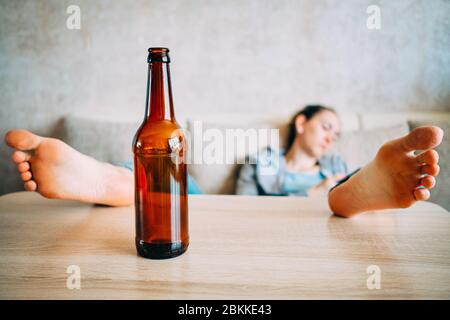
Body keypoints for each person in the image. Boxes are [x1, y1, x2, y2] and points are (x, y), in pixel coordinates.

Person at [4, 113, 443, 217]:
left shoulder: (336, 164)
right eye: (327, 124)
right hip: (231, 213)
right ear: (301, 122)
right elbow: (241, 207)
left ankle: (351, 196)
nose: (332, 135)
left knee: (340, 190)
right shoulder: (263, 157)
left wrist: (326, 186)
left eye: (338, 132)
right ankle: (107, 178)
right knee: (183, 182)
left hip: (320, 206)